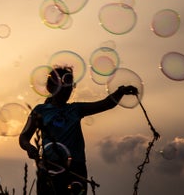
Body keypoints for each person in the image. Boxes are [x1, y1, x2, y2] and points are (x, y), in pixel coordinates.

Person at [18, 66, 138, 195]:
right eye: (63, 85)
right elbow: (24, 137)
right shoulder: (40, 110)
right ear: (51, 88)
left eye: (70, 87)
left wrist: (120, 91)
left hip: (75, 167)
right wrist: (29, 147)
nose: (67, 90)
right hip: (50, 167)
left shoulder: (76, 109)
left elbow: (106, 104)